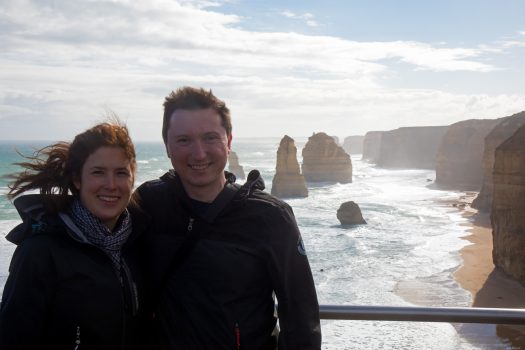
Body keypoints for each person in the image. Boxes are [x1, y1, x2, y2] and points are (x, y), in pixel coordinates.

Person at [134, 86, 322, 349]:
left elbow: (302, 320)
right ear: (167, 145)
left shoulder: (271, 218)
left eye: (210, 138)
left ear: (229, 141)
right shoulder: (148, 203)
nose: (199, 154)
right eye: (184, 140)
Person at [0, 121, 146, 350]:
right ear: (77, 179)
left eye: (121, 173)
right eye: (98, 172)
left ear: (132, 178)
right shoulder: (40, 253)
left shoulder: (136, 245)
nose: (111, 185)